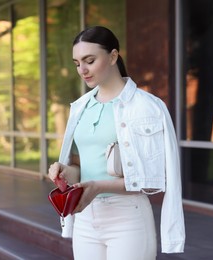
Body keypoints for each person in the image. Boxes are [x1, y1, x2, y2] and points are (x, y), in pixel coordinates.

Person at [48, 26, 185, 260]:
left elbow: (155, 178)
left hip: (127, 217)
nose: (82, 70)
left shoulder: (147, 107)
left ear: (113, 56)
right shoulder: (80, 107)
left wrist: (99, 187)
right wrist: (65, 172)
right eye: (77, 63)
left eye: (89, 60)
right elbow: (85, 169)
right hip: (85, 217)